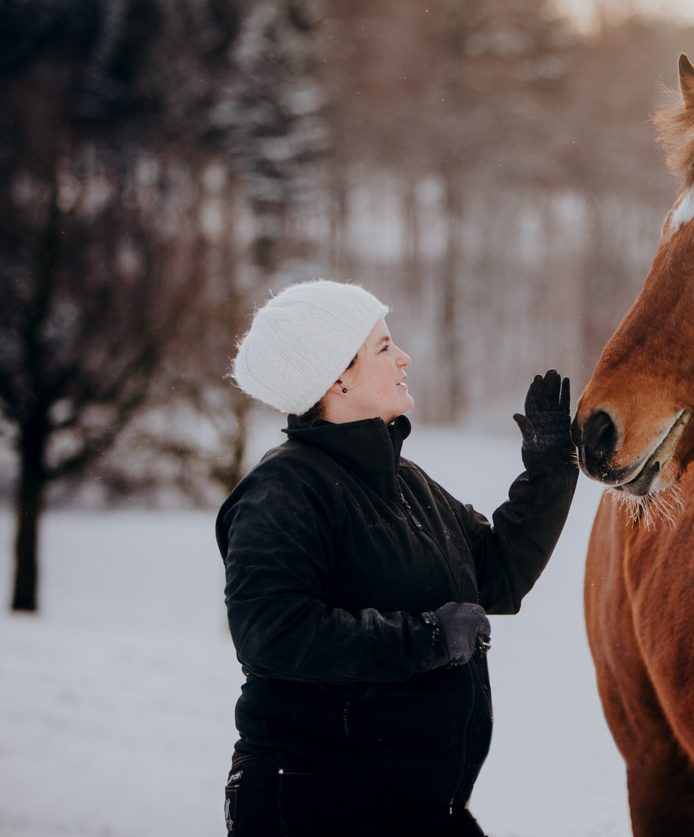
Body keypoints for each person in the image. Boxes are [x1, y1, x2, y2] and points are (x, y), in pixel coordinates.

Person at [216, 280, 578, 836]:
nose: (404, 356)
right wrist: (429, 638)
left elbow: (496, 576)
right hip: (316, 801)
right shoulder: (283, 490)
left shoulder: (405, 482)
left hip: (417, 805)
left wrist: (550, 470)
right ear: (336, 376)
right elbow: (274, 634)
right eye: (384, 347)